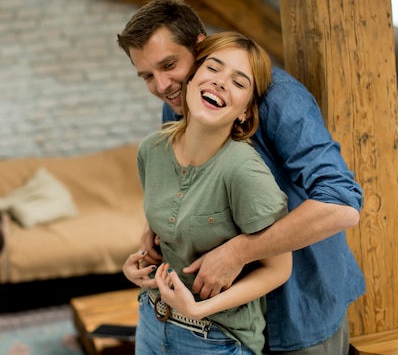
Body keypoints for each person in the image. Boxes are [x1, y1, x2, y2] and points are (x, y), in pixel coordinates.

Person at [117, 0, 365, 354]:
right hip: (222, 324)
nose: (161, 85)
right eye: (147, 76)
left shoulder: (280, 99)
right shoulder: (176, 105)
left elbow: (341, 204)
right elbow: (185, 184)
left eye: (169, 64)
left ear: (200, 47)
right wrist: (158, 229)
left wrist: (239, 252)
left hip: (300, 304)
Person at [122, 31, 292, 355]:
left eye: (239, 83)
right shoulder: (151, 150)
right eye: (213, 69)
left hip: (216, 340)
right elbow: (171, 234)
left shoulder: (245, 172)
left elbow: (279, 269)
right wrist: (141, 262)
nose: (220, 83)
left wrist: (200, 309)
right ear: (192, 78)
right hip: (151, 319)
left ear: (245, 111)